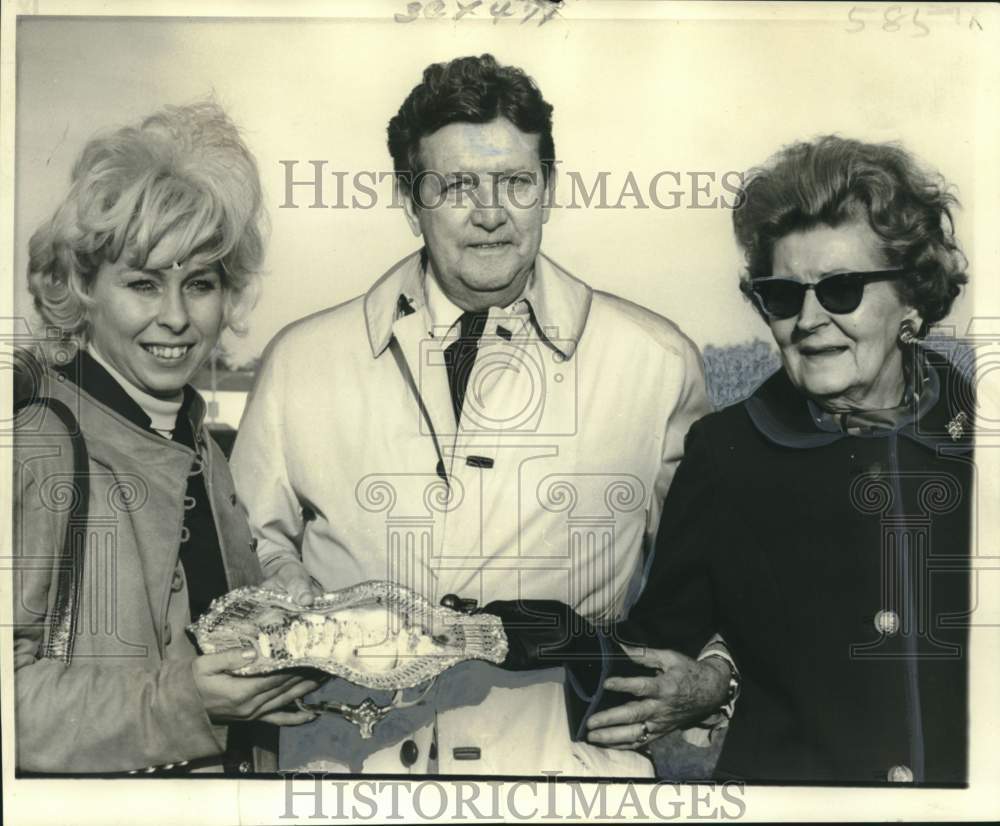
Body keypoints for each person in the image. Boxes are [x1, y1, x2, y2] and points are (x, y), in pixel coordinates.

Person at [231, 54, 732, 776]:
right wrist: (287, 587)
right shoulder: (299, 362)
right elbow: (244, 554)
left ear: (549, 190)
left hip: (564, 784)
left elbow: (717, 575)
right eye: (458, 184)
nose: (491, 212)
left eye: (516, 182)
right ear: (411, 198)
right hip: (345, 776)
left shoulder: (655, 362)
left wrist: (713, 674)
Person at [612, 135, 973, 784]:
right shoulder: (726, 456)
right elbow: (651, 656)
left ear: (913, 299)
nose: (808, 320)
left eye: (841, 290)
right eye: (782, 296)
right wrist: (490, 641)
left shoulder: (981, 440)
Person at [12, 102, 321, 775]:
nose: (176, 318)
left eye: (200, 284)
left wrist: (279, 591)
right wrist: (191, 703)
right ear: (85, 287)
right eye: (144, 284)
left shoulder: (201, 448)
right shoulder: (38, 447)